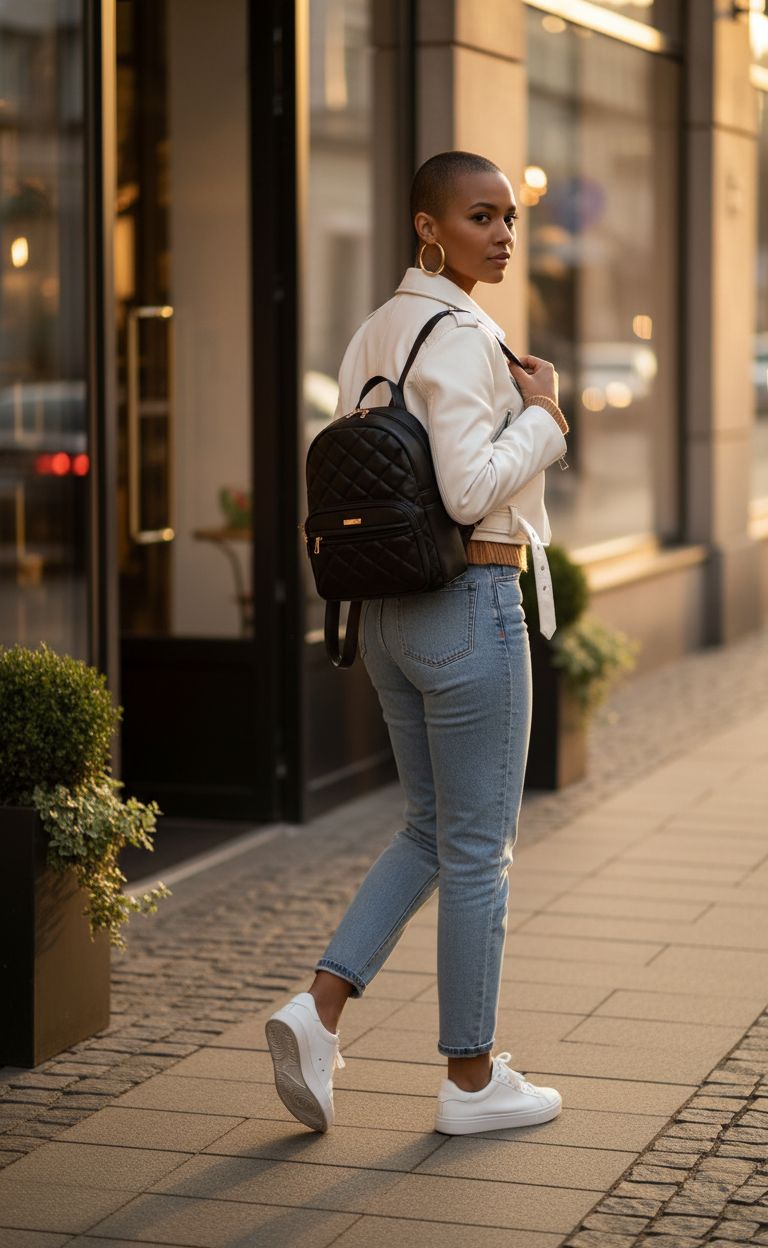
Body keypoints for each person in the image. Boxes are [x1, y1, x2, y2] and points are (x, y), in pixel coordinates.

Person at [266, 150, 570, 1135]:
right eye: (480, 217)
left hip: (387, 619)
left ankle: (317, 1012)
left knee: (429, 831)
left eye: (510, 217)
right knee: (479, 851)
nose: (503, 235)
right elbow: (468, 490)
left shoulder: (373, 334)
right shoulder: (464, 335)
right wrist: (545, 418)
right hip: (470, 602)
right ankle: (471, 1082)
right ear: (426, 228)